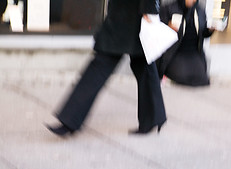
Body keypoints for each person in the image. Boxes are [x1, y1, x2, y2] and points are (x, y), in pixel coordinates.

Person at [46, 0, 167, 136]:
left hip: (133, 15)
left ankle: (70, 120)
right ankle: (154, 118)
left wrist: (150, 10)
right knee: (142, 66)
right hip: (125, 13)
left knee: (103, 63)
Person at [157, 0, 214, 87]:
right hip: (176, 51)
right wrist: (169, 28)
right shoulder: (169, 8)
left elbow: (203, 34)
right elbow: (159, 30)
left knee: (202, 79)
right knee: (182, 77)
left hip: (194, 52)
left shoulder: (199, 11)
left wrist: (210, 30)